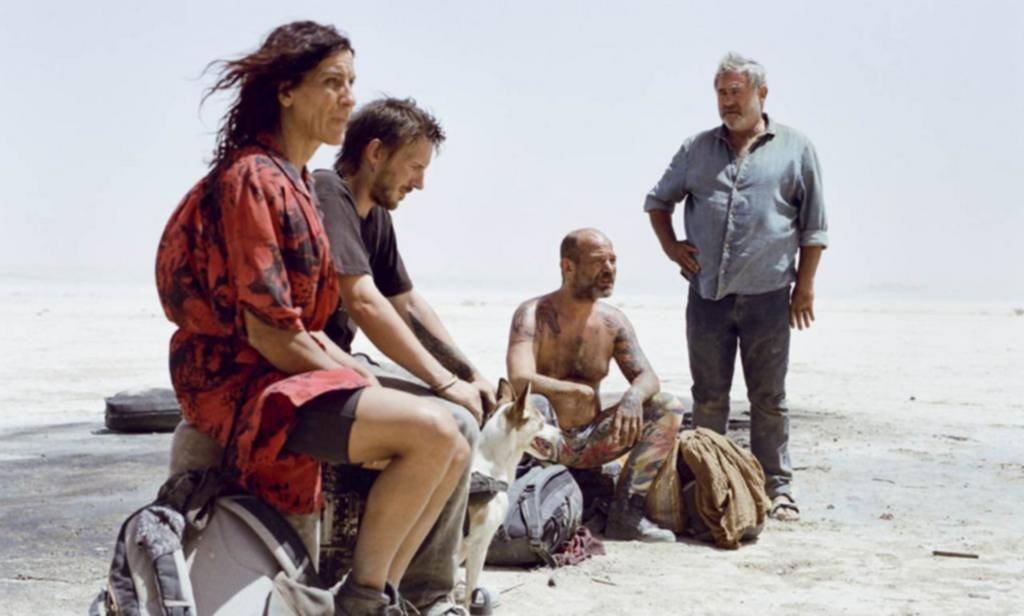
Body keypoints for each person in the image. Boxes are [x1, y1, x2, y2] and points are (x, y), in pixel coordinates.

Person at [155, 22, 469, 614]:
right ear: (286, 91)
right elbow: (272, 332)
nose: (349, 98)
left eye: (351, 83)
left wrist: (358, 374)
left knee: (452, 441)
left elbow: (313, 326)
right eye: (332, 83)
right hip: (243, 383)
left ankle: (379, 595)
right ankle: (361, 600)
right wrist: (359, 380)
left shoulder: (295, 180)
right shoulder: (253, 177)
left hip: (285, 374)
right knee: (431, 432)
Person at [313, 97, 493, 614]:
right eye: (414, 167)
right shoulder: (328, 192)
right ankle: (414, 593)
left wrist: (467, 373)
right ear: (375, 153)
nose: (420, 183)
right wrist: (443, 384)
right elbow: (364, 302)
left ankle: (404, 593)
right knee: (453, 421)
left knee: (463, 420)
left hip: (346, 363)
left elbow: (406, 303)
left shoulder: (375, 217)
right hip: (315, 365)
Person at [644, 52, 828, 522]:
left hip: (770, 296)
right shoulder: (697, 149)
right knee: (709, 396)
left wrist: (804, 289)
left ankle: (777, 488)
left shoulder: (796, 148)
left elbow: (814, 227)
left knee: (769, 399)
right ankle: (709, 483)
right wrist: (672, 248)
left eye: (736, 92)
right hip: (707, 295)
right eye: (721, 93)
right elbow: (657, 202)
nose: (727, 101)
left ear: (761, 93)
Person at [505, 228, 684, 542]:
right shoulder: (533, 314)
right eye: (599, 261)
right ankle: (538, 506)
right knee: (535, 403)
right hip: (544, 440)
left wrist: (633, 397)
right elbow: (519, 378)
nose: (609, 269)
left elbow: (648, 377)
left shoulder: (613, 322)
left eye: (613, 261)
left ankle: (627, 515)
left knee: (666, 406)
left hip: (592, 440)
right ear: (568, 267)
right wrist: (576, 392)